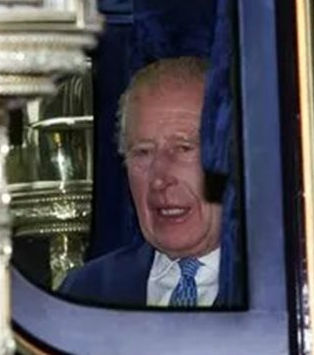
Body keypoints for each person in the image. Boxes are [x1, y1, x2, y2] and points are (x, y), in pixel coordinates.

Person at [60, 57, 226, 307]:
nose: (159, 179)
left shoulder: (278, 289)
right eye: (143, 152)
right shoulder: (85, 293)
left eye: (183, 148)